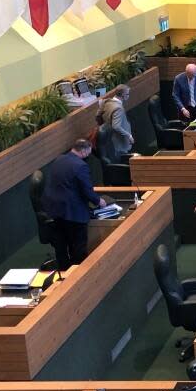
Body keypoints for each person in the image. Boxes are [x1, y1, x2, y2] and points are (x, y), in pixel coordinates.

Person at [41, 139, 108, 269]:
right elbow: (87, 190)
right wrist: (99, 201)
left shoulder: (59, 159)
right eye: (88, 153)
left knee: (61, 245)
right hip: (72, 213)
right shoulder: (80, 166)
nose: (88, 156)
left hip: (54, 210)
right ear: (83, 151)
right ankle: (78, 272)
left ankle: (64, 270)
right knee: (78, 246)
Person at [98, 85, 134, 162]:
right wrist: (129, 135)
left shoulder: (106, 101)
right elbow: (116, 126)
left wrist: (104, 126)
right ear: (123, 95)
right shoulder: (118, 108)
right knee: (122, 160)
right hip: (118, 141)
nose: (128, 96)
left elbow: (97, 116)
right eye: (127, 94)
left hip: (110, 139)